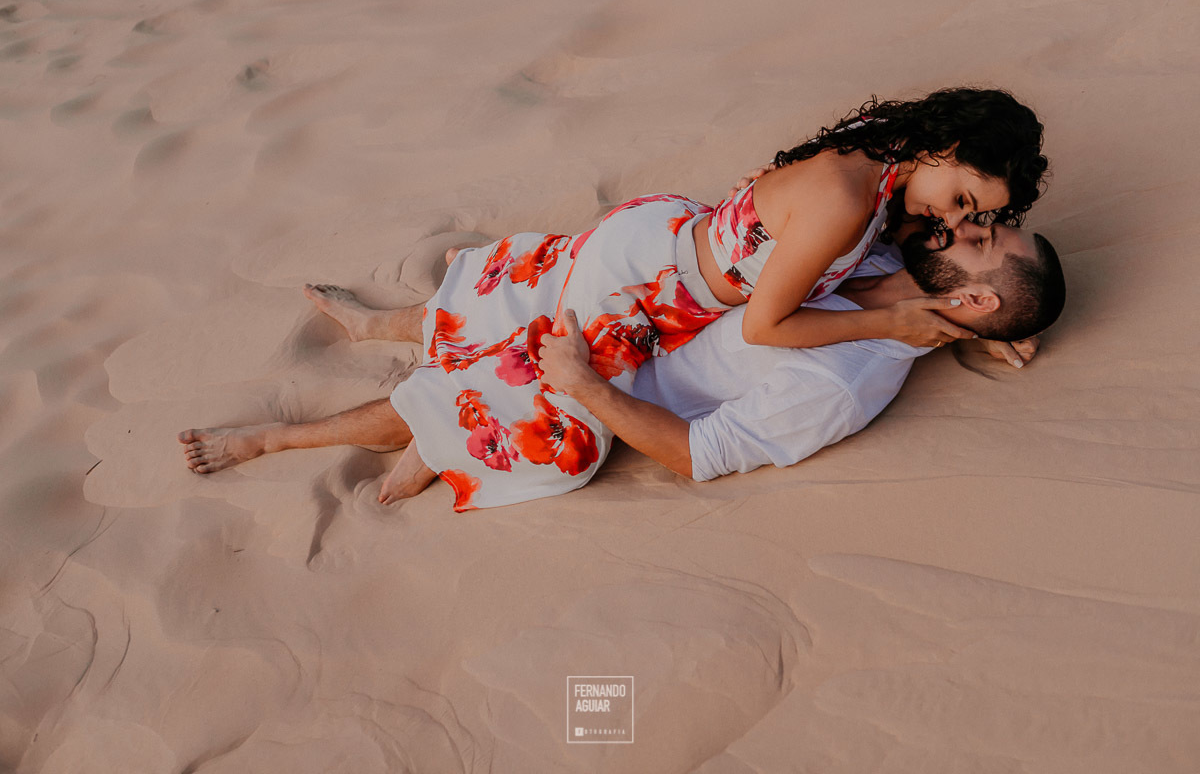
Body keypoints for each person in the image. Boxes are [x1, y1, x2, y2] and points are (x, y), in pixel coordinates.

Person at [178, 218, 1066, 509]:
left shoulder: (844, 381)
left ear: (976, 299)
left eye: (980, 241)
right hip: (631, 315)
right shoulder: (886, 258)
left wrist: (583, 385)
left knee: (507, 376)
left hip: (610, 381)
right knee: (538, 268)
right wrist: (973, 334)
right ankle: (383, 329)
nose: (963, 225)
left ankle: (271, 441)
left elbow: (699, 455)